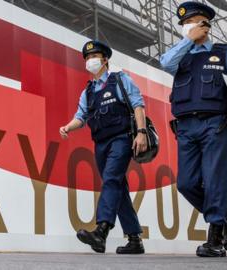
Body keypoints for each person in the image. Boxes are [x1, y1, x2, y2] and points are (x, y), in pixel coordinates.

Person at [160, 1, 227, 257]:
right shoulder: (180, 57)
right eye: (185, 24)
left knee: (215, 181)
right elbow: (165, 63)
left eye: (193, 22)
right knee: (187, 184)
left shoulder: (225, 53)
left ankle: (216, 238)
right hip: (186, 126)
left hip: (216, 123)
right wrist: (188, 40)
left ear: (206, 24)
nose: (188, 27)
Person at [60, 40, 148, 254]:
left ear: (105, 59)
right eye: (87, 58)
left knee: (110, 179)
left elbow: (138, 105)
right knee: (117, 187)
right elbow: (80, 117)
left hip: (122, 138)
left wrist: (141, 132)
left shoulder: (120, 80)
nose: (90, 61)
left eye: (94, 56)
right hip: (101, 143)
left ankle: (101, 231)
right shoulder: (88, 92)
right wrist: (68, 127)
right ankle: (135, 240)